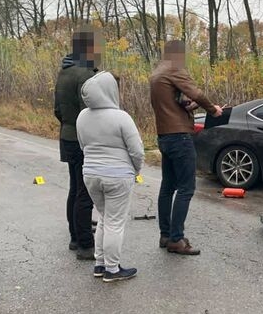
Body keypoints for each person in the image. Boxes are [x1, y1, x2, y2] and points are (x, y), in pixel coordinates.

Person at [150, 40, 222, 255]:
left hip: (164, 135)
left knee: (168, 186)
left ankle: (165, 234)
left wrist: (191, 106)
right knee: (186, 188)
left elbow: (176, 102)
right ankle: (177, 239)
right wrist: (213, 110)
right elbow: (197, 93)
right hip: (180, 136)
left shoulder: (157, 74)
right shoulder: (174, 68)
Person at [77, 71, 144, 282]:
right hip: (117, 176)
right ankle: (113, 269)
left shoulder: (82, 116)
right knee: (115, 222)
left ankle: (100, 264)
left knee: (105, 218)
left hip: (90, 174)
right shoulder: (121, 117)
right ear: (109, 91)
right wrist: (136, 170)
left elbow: (82, 145)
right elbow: (137, 151)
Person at [53, 27, 102, 260]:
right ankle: (85, 245)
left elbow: (57, 110)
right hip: (83, 141)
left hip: (66, 136)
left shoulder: (64, 72)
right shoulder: (85, 75)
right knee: (85, 193)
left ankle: (75, 236)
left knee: (74, 189)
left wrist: (68, 125)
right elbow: (91, 113)